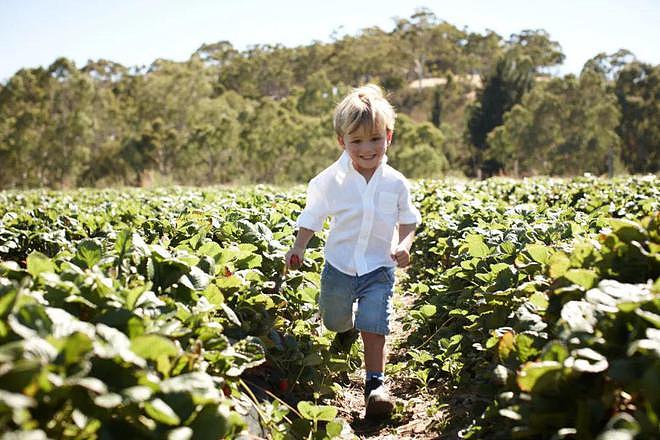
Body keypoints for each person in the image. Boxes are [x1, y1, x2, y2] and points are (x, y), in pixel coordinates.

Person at [284, 84, 421, 418]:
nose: (367, 148)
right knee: (334, 319)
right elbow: (313, 215)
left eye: (374, 139)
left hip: (378, 267)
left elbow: (408, 219)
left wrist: (403, 244)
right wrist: (299, 245)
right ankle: (343, 331)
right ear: (341, 142)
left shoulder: (395, 182)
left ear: (388, 137)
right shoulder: (331, 181)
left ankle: (375, 385)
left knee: (374, 323)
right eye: (356, 141)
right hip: (340, 266)